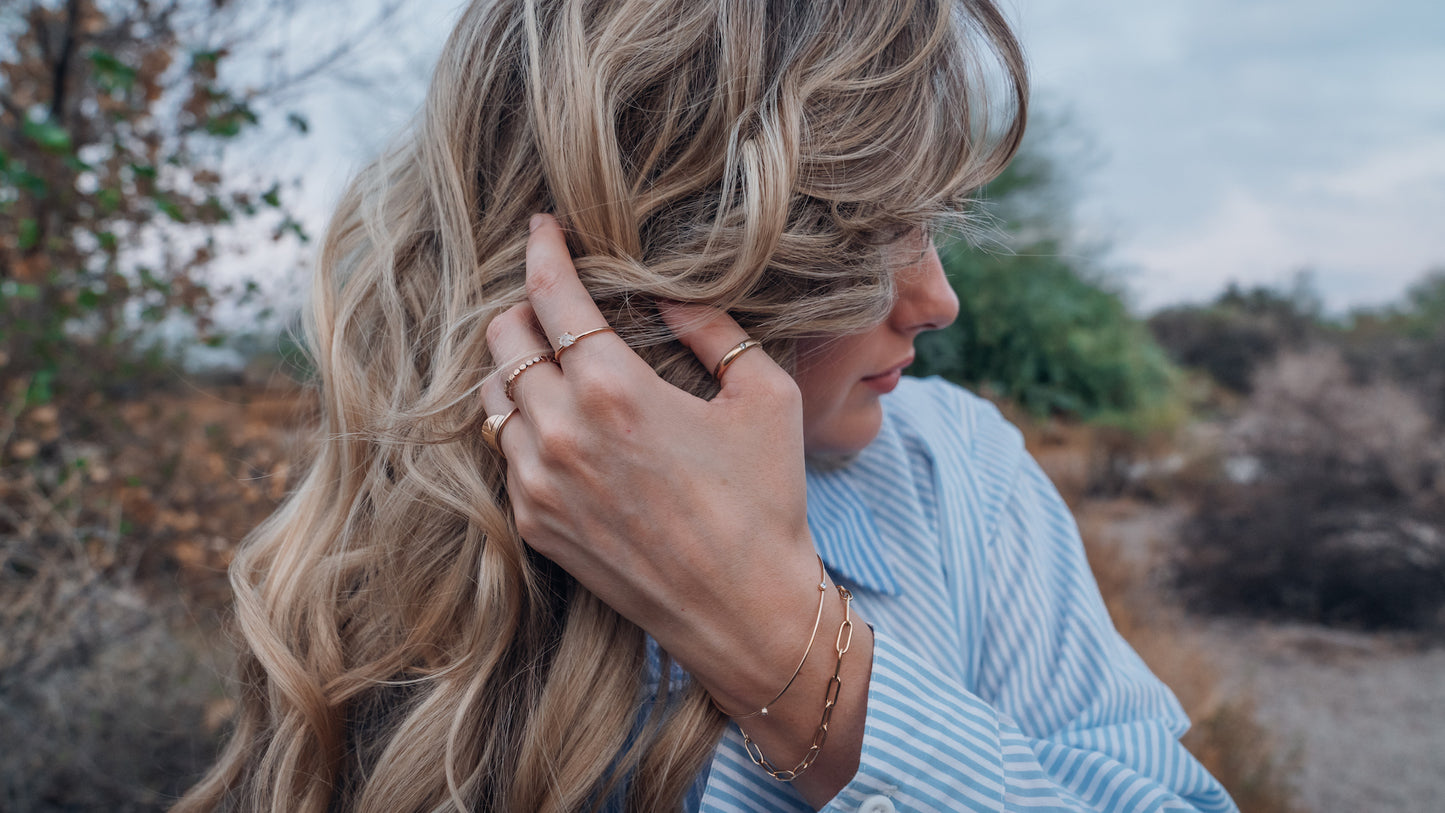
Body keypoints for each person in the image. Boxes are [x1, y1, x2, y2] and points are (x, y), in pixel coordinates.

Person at [178, 0, 1238, 811]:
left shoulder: (959, 471)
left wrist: (783, 649)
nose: (935, 301)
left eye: (933, 226)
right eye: (863, 239)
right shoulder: (369, 560)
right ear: (658, 258)